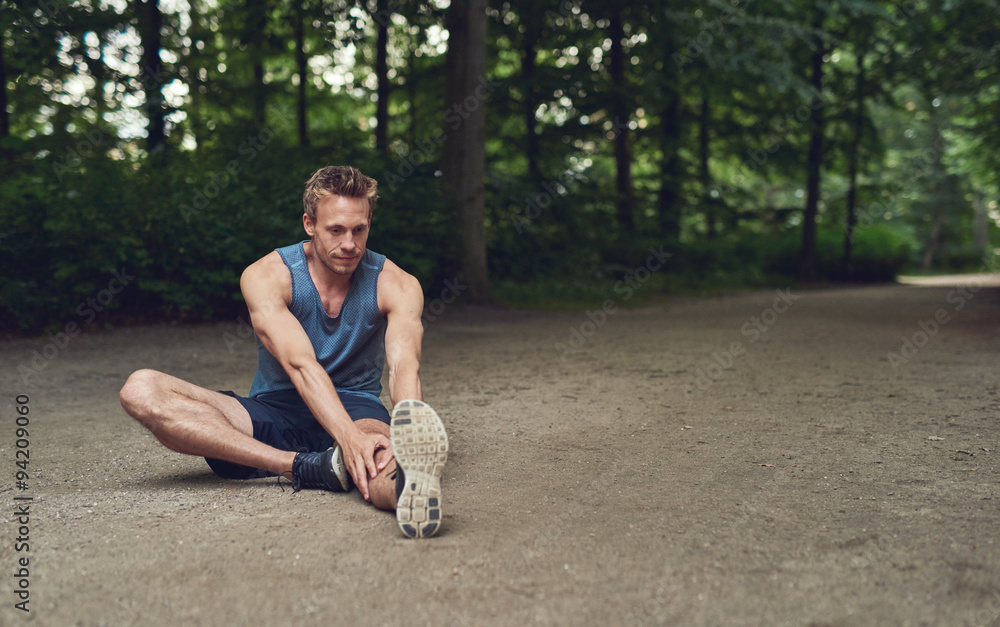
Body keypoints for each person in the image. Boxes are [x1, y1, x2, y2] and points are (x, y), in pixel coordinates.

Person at [119, 165, 448, 539]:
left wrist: (406, 430)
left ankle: (411, 489)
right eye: (336, 230)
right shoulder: (266, 275)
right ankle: (303, 466)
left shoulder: (397, 284)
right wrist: (345, 439)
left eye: (360, 229)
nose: (350, 244)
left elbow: (405, 363)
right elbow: (300, 364)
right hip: (274, 407)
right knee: (141, 388)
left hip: (356, 405)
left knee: (380, 458)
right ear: (309, 224)